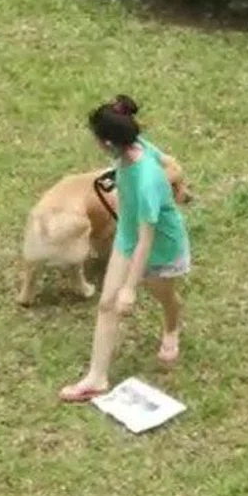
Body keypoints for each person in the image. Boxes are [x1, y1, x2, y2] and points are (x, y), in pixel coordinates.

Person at [59, 95, 191, 402]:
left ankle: (171, 328)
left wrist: (130, 288)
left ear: (107, 143)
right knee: (107, 304)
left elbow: (148, 239)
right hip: (127, 238)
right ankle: (96, 377)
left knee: (164, 296)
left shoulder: (147, 181)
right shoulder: (132, 147)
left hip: (160, 247)